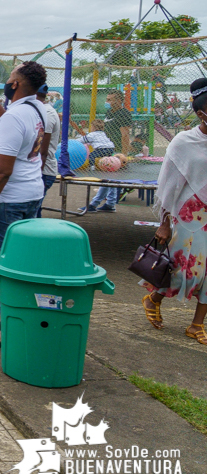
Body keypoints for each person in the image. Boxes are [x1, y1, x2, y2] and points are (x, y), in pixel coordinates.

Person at [0, 62, 47, 348]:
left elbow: (2, 171)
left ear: (15, 84)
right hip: (29, 194)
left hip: (8, 202)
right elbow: (2, 121)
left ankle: (11, 331)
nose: (8, 81)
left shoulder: (17, 117)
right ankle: (15, 315)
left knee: (3, 266)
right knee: (22, 262)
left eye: (10, 78)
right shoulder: (33, 110)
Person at [141, 78, 207, 344]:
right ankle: (153, 298)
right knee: (183, 270)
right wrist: (165, 222)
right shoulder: (183, 142)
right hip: (189, 216)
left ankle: (196, 325)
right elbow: (169, 185)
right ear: (201, 113)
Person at [86, 90, 133, 213]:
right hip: (106, 148)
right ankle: (110, 203)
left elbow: (125, 134)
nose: (108, 102)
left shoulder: (124, 114)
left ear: (118, 101)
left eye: (110, 99)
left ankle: (94, 204)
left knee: (108, 177)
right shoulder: (109, 112)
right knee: (109, 177)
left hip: (116, 150)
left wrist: (124, 154)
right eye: (107, 99)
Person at [36, 85, 61, 217]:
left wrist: (36, 174)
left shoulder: (47, 113)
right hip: (39, 170)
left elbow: (43, 151)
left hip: (43, 171)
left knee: (33, 211)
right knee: (32, 210)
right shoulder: (39, 110)